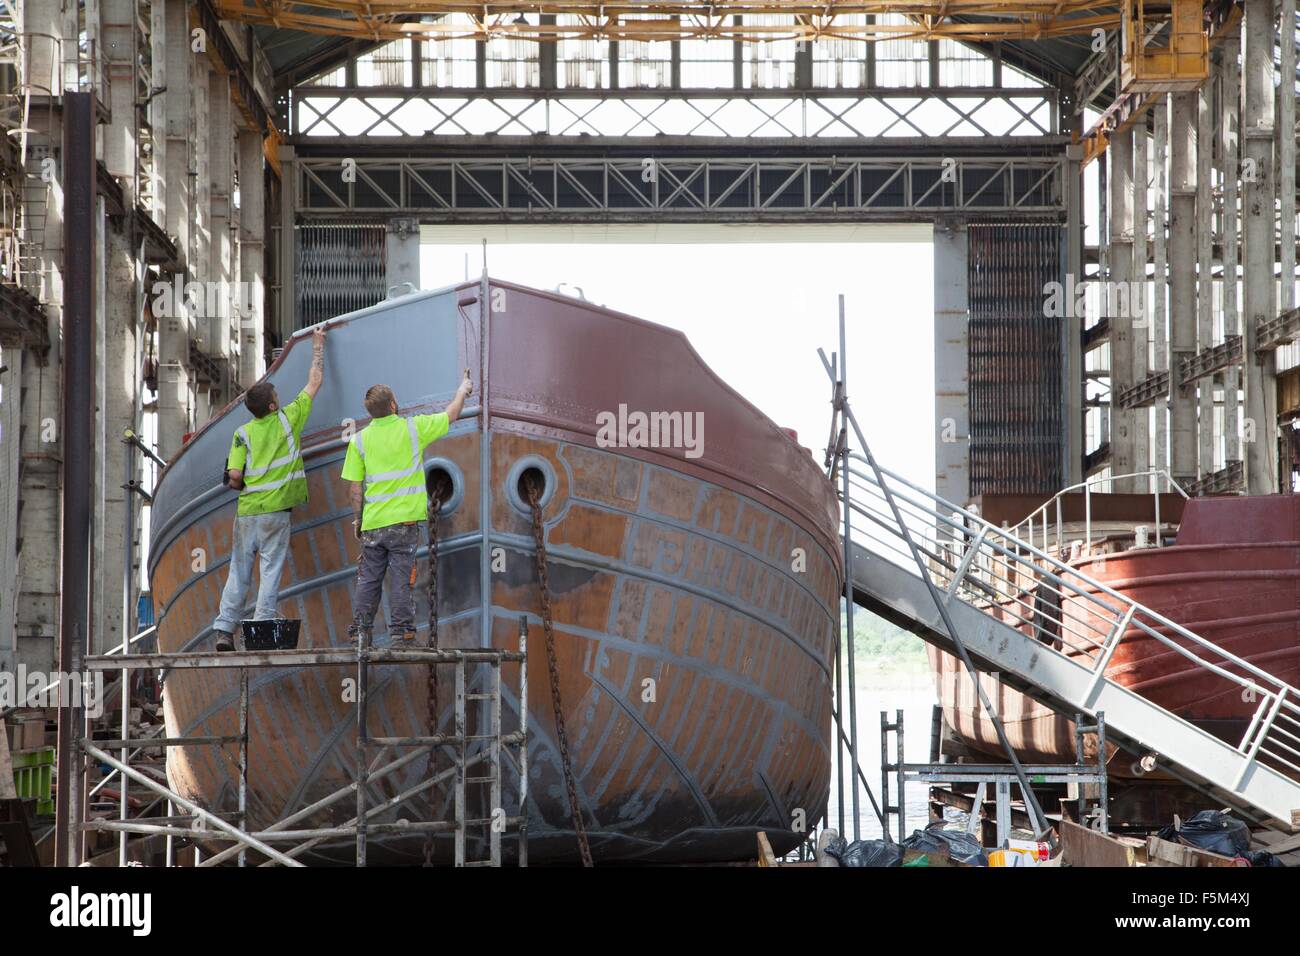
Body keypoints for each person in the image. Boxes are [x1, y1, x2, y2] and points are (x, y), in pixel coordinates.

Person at [211, 326, 328, 651]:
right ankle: (261, 630)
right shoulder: (290, 419)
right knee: (270, 570)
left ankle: (224, 631)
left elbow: (234, 475)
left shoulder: (243, 432)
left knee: (239, 571)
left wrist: (242, 483)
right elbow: (314, 381)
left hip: (247, 512)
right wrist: (318, 344)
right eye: (276, 395)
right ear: (274, 406)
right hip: (276, 514)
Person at [342, 372, 472, 644]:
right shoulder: (413, 429)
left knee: (369, 579)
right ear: (392, 405)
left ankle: (360, 631)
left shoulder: (359, 441)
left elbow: (355, 489)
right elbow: (450, 415)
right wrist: (462, 391)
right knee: (401, 577)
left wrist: (358, 520)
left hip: (373, 523)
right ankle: (401, 632)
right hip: (404, 523)